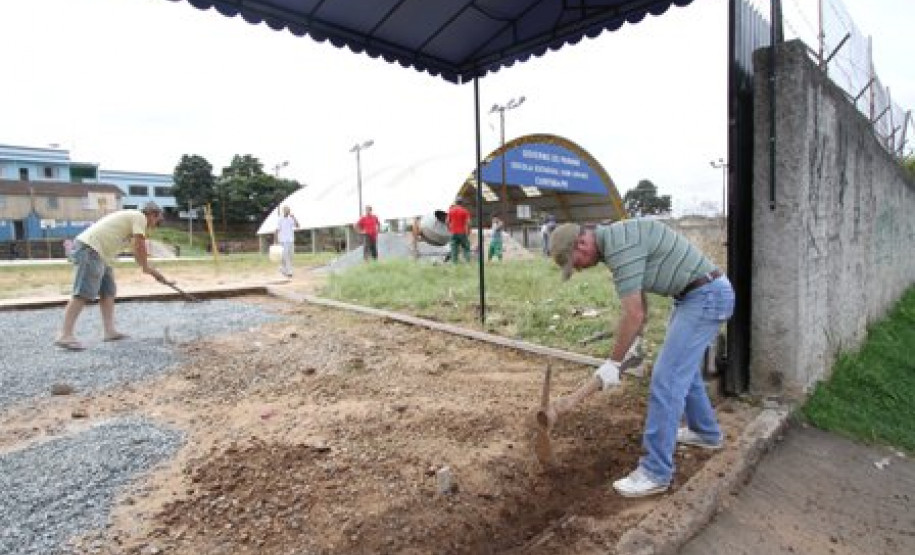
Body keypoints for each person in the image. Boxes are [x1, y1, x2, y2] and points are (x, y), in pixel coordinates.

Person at [546, 218, 734, 497]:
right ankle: (705, 432)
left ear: (582, 243)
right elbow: (640, 304)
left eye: (576, 263)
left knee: (666, 379)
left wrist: (613, 363)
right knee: (684, 371)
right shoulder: (618, 241)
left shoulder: (620, 249)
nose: (580, 269)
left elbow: (632, 313)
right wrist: (635, 341)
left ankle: (655, 472)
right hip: (693, 296)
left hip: (704, 297)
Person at [55, 201, 173, 351]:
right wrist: (148, 268)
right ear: (151, 214)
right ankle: (65, 334)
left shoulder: (132, 225)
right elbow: (140, 246)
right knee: (83, 292)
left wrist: (150, 270)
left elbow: (138, 255)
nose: (154, 225)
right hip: (90, 249)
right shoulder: (139, 217)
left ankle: (109, 331)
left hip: (102, 255)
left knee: (108, 291)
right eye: (157, 220)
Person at [275, 205, 299, 277]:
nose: (287, 212)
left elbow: (297, 225)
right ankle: (289, 271)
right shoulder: (280, 219)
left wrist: (294, 217)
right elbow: (277, 230)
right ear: (283, 211)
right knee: (285, 256)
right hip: (283, 240)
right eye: (286, 211)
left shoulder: (291, 219)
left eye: (288, 211)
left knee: (291, 255)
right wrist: (275, 241)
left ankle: (282, 268)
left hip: (290, 240)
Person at [446, 197, 471, 264]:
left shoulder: (451, 211)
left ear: (456, 202)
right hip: (462, 232)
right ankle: (467, 262)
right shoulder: (465, 211)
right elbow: (468, 223)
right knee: (466, 247)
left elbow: (447, 221)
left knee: (454, 249)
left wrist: (449, 229)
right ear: (462, 203)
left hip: (453, 233)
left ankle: (454, 263)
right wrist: (468, 231)